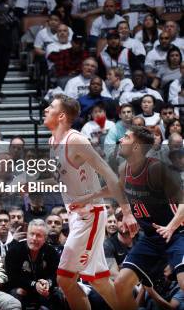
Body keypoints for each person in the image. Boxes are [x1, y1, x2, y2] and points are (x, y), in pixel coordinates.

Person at [43, 94, 138, 310]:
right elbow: (60, 176)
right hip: (77, 215)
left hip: (90, 215)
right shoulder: (52, 141)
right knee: (99, 280)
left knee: (65, 280)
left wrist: (127, 212)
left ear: (61, 116)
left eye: (51, 107)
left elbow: (110, 175)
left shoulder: (76, 140)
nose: (46, 109)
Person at [77, 126, 184, 309]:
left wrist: (171, 227)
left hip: (177, 233)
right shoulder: (123, 168)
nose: (120, 140)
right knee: (121, 285)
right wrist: (87, 198)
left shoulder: (157, 169)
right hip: (151, 237)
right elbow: (115, 189)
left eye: (125, 137)